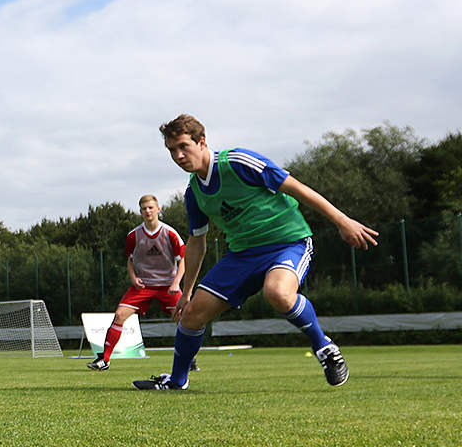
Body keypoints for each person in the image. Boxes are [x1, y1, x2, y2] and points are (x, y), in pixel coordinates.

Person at [134, 114, 378, 391]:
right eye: (171, 151)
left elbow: (297, 188)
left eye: (183, 147)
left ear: (202, 142)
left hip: (288, 242)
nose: (178, 156)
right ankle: (177, 381)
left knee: (278, 293)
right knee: (191, 315)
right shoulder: (194, 194)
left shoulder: (238, 162)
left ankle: (325, 348)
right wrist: (185, 293)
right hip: (242, 255)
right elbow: (197, 243)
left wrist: (342, 221)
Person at [87, 195, 188, 372]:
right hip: (144, 286)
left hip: (168, 286)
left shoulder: (170, 233)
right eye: (144, 209)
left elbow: (182, 261)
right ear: (140, 211)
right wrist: (134, 279)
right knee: (119, 315)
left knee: (184, 320)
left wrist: (176, 283)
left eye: (151, 208)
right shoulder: (134, 235)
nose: (147, 211)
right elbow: (130, 260)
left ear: (158, 209)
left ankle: (189, 359)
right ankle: (104, 360)